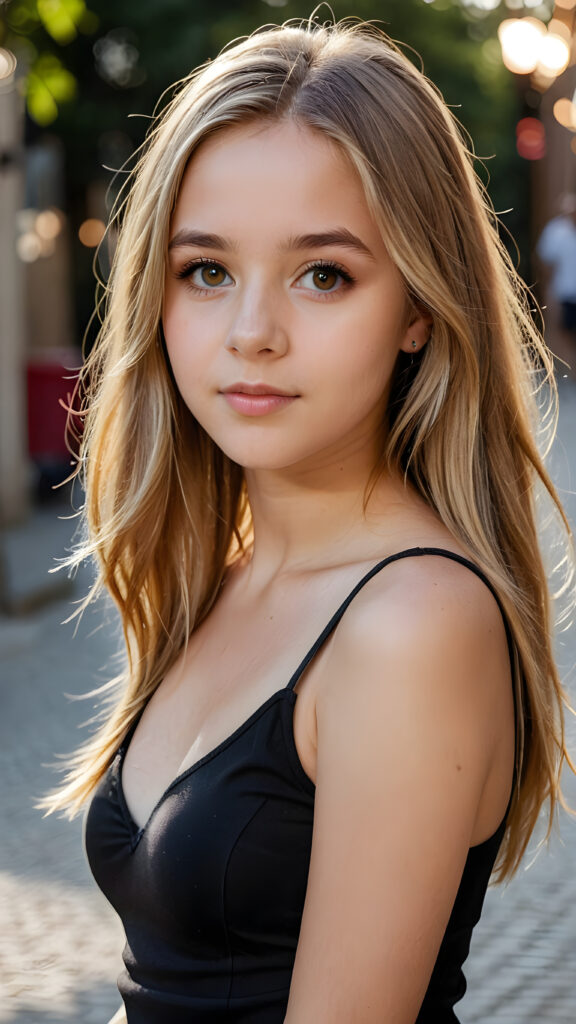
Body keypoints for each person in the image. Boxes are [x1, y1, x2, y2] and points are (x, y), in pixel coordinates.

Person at [43, 18, 574, 1024]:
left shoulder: (412, 621)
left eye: (323, 274)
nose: (252, 334)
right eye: (207, 270)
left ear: (419, 305)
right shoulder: (224, 573)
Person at [537, 193, 576, 379]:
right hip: (565, 291)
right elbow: (547, 263)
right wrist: (549, 289)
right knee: (564, 331)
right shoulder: (556, 231)